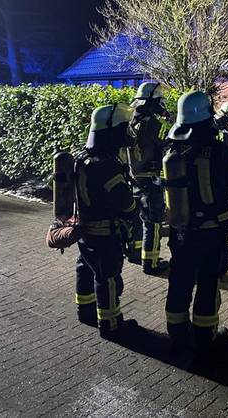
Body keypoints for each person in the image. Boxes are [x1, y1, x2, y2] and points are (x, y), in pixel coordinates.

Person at [163, 91, 228, 354]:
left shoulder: (172, 149)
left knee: (179, 278)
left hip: (180, 229)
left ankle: (176, 331)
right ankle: (206, 336)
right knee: (208, 280)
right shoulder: (219, 152)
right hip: (211, 230)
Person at [74, 103, 139, 339]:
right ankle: (111, 325)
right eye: (123, 127)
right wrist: (134, 211)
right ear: (111, 131)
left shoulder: (82, 158)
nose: (126, 132)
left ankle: (85, 310)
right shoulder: (108, 165)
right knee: (108, 277)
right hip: (105, 233)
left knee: (85, 266)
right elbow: (124, 203)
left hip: (85, 231)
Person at [126, 82, 173, 275]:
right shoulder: (153, 124)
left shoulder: (132, 121)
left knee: (138, 218)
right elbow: (168, 142)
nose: (162, 105)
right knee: (153, 222)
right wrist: (170, 120)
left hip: (134, 178)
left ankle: (135, 252)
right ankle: (151, 263)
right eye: (159, 102)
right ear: (152, 102)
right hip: (150, 179)